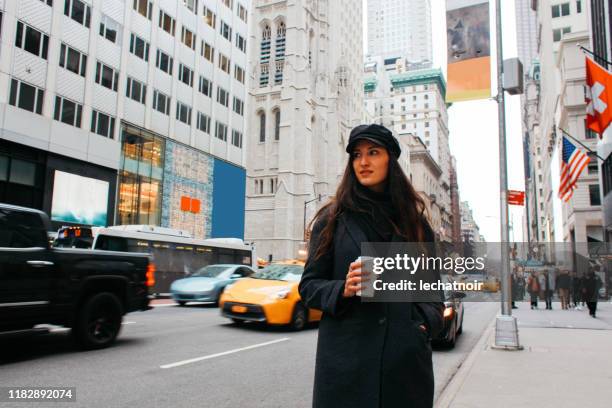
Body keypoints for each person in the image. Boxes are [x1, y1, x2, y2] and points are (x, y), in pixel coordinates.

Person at [299, 124, 444, 408]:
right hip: (346, 367)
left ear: (390, 158)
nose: (363, 162)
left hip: (404, 367)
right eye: (356, 154)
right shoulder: (332, 220)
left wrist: (423, 326)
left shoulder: (415, 224)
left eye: (373, 152)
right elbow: (309, 286)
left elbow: (432, 293)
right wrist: (343, 288)